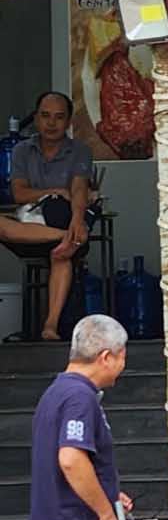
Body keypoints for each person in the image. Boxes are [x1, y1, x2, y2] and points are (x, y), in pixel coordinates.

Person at [28, 315, 133, 520]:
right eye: (122, 358)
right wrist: (106, 515)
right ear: (106, 357)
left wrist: (107, 493)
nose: (122, 367)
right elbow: (71, 459)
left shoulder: (55, 393)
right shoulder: (80, 397)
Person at [0, 91, 96, 340]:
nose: (51, 123)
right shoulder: (22, 150)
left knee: (61, 247)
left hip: (66, 224)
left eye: (58, 117)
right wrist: (53, 192)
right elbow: (19, 193)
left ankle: (50, 326)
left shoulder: (79, 150)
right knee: (58, 233)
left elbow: (78, 189)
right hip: (34, 233)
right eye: (45, 116)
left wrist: (77, 220)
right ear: (36, 118)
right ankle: (69, 237)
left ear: (68, 122)